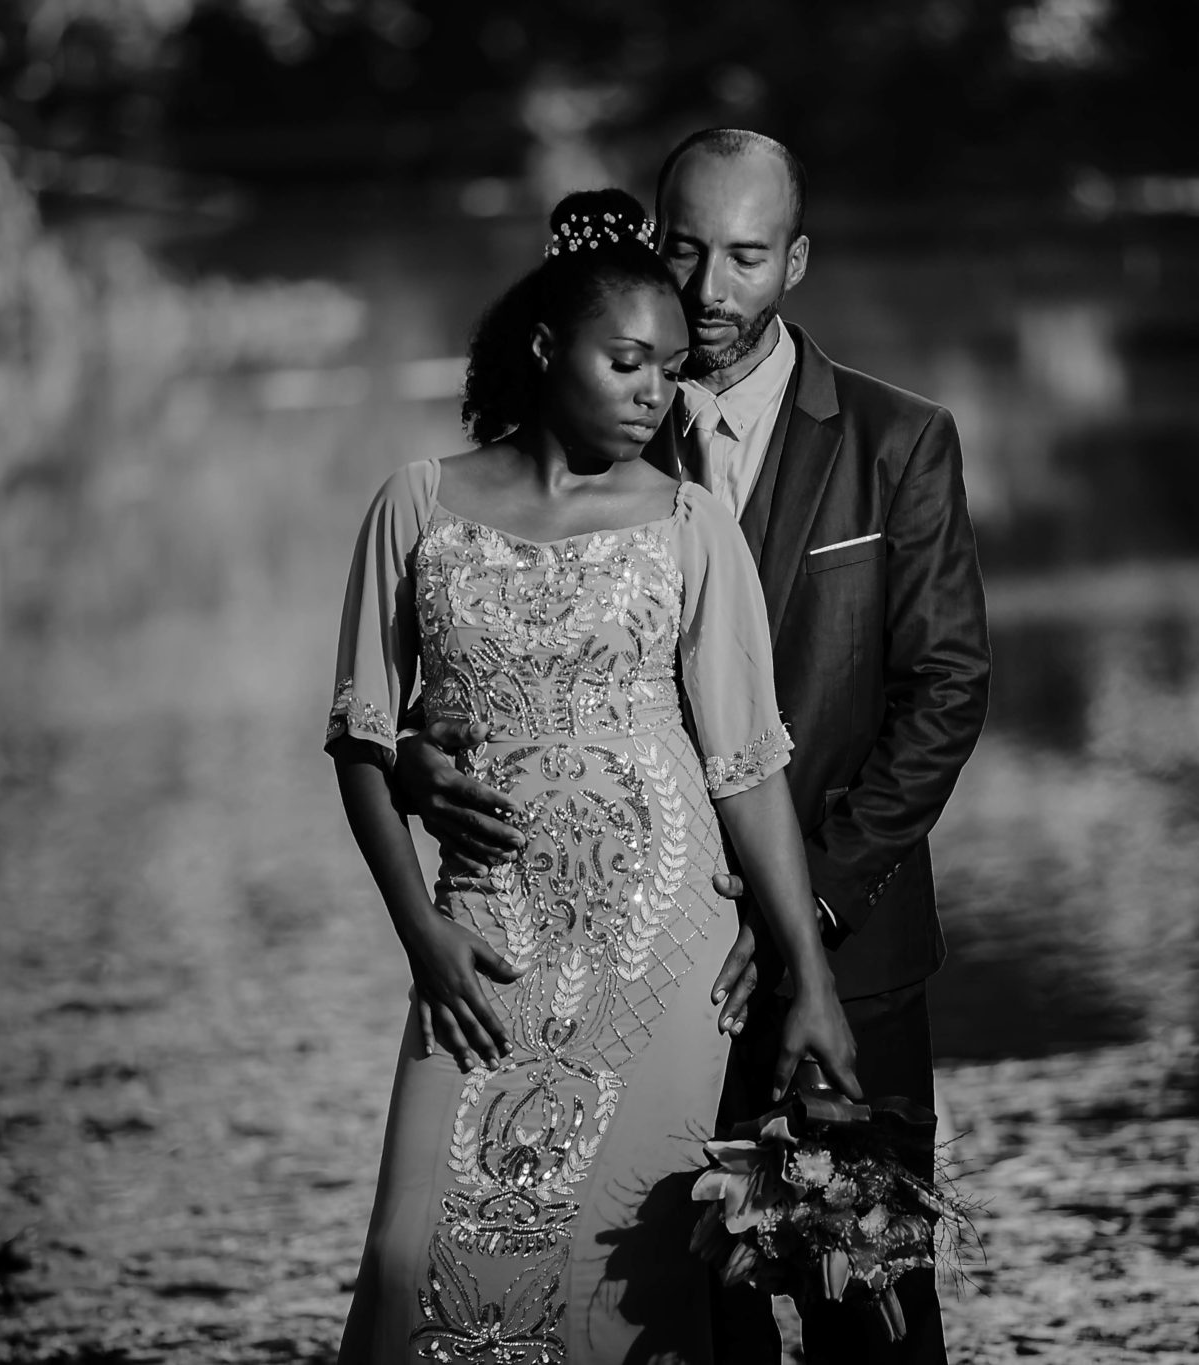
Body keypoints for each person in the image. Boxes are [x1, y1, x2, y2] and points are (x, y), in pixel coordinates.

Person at [398, 134, 992, 1364]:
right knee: (674, 1313)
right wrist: (423, 750)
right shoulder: (595, 426)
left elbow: (943, 695)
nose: (710, 290)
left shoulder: (897, 440)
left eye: (746, 257)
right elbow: (495, 650)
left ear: (796, 261)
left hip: (849, 952)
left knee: (874, 1312)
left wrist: (803, 908)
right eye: (683, 250)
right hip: (646, 970)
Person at [327, 187, 862, 1365]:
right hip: (481, 942)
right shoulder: (415, 505)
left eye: (668, 371)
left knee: (631, 1278)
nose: (651, 393)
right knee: (411, 1259)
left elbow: (745, 769)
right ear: (543, 348)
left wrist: (809, 979)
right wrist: (419, 933)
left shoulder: (689, 524)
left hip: (659, 952)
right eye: (625, 363)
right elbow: (361, 743)